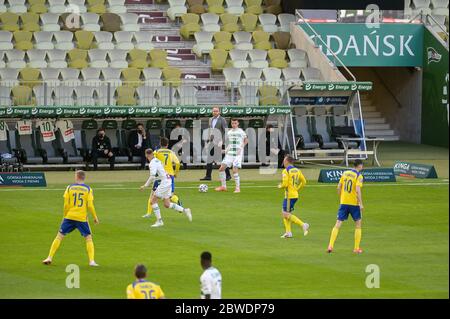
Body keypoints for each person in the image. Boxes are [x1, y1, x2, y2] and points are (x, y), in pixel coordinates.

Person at [42, 170, 99, 266]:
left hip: (70, 216)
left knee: (59, 236)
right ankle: (91, 261)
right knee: (88, 238)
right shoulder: (88, 189)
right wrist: (95, 217)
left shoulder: (69, 188)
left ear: (77, 177)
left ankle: (49, 257)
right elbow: (90, 205)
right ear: (83, 177)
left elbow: (66, 204)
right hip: (81, 218)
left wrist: (65, 215)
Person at [140, 148, 192, 228]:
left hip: (164, 182)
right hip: (168, 181)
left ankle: (159, 221)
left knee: (153, 201)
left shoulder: (152, 163)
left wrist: (145, 185)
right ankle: (185, 210)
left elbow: (152, 176)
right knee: (167, 204)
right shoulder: (158, 160)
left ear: (146, 155)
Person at [327, 159, 365, 254]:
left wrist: (341, 198)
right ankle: (356, 248)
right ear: (359, 166)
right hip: (354, 204)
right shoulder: (359, 176)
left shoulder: (345, 173)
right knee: (358, 224)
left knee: (338, 223)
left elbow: (338, 187)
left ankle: (330, 245)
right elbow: (357, 190)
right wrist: (361, 203)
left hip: (343, 202)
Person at [142, 137, 183, 219]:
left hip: (161, 176)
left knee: (152, 195)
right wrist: (176, 173)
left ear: (160, 144)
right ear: (167, 144)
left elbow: (152, 158)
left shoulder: (156, 152)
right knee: (169, 195)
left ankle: (148, 213)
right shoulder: (171, 152)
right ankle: (177, 201)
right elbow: (178, 163)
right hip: (170, 176)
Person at [278, 155, 310, 238]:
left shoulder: (286, 171)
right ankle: (288, 232)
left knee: (285, 214)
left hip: (289, 196)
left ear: (287, 161)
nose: (283, 162)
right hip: (294, 195)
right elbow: (304, 181)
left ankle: (303, 225)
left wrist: (280, 186)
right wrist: (297, 189)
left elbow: (285, 184)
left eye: (284, 160)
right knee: (286, 213)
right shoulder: (297, 170)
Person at [215, 118, 248, 193]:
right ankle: (223, 187)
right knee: (221, 168)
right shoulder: (229, 132)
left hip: (237, 153)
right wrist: (225, 150)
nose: (234, 125)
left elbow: (246, 141)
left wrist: (241, 148)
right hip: (230, 153)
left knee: (234, 170)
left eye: (235, 123)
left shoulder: (241, 131)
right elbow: (230, 143)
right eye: (232, 123)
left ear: (238, 123)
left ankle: (237, 188)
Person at [200, 106, 231, 181]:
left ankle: (228, 175)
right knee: (209, 159)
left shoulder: (222, 120)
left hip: (219, 142)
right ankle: (208, 176)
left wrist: (222, 141)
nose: (215, 112)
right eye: (214, 111)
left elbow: (226, 131)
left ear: (219, 112)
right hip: (212, 142)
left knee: (222, 159)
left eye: (216, 111)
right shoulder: (210, 119)